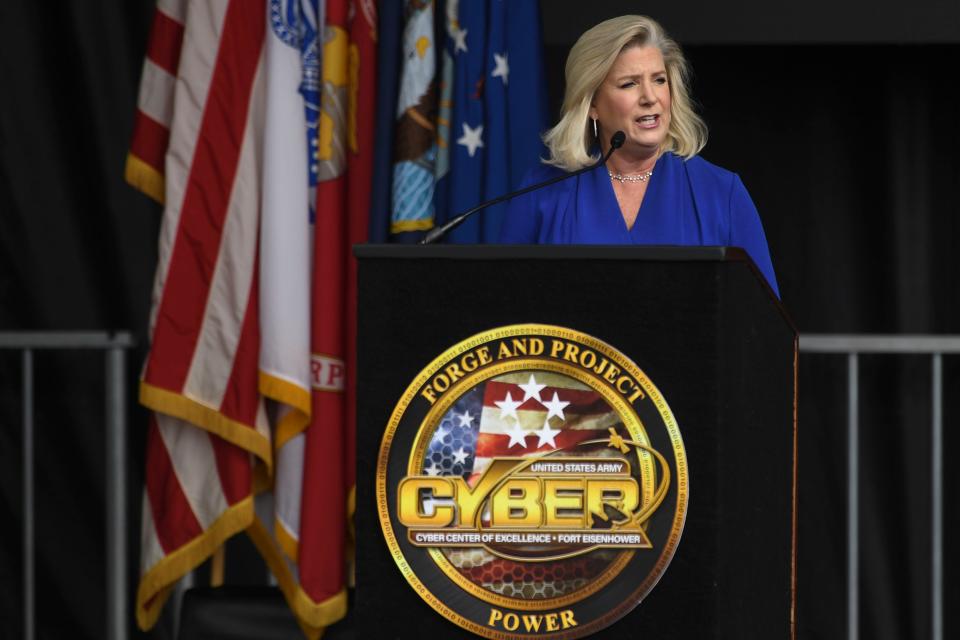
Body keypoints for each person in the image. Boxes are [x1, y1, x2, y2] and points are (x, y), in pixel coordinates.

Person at [499, 15, 780, 298]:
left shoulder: (722, 193)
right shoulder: (542, 194)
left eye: (659, 80)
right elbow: (503, 310)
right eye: (629, 84)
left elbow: (763, 326)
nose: (650, 97)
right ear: (592, 103)